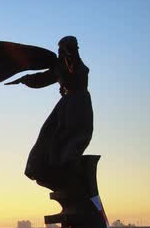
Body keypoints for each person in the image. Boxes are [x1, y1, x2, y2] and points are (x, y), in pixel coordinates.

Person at [6, 36, 93, 192]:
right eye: (60, 49)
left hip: (78, 104)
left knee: (69, 136)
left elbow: (74, 67)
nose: (60, 52)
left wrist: (71, 51)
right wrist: (24, 79)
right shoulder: (59, 66)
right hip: (65, 105)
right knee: (48, 135)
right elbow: (43, 79)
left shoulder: (76, 64)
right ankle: (50, 169)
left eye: (63, 49)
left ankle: (68, 169)